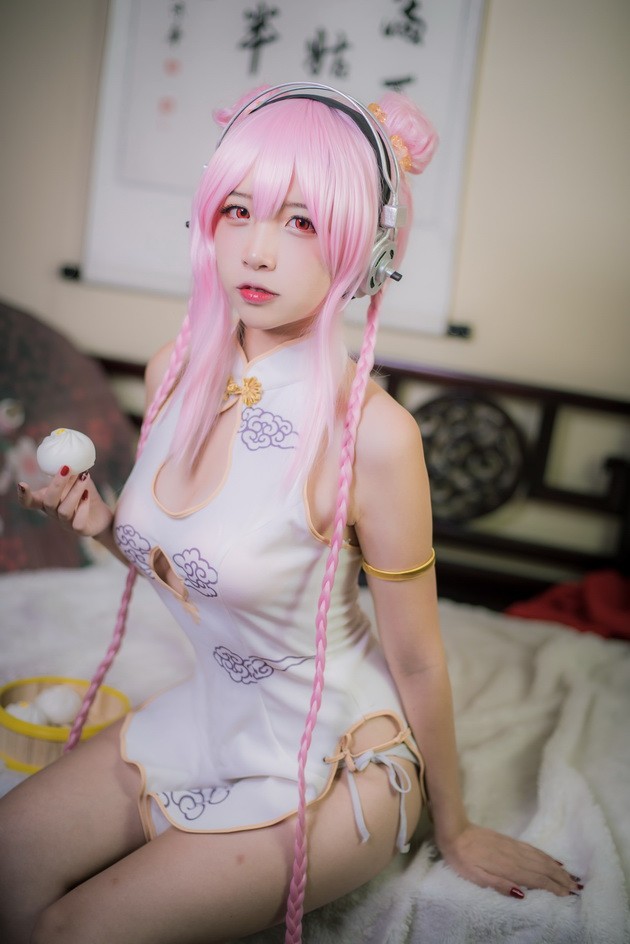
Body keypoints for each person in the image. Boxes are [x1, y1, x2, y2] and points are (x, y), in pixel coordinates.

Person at [0, 83, 580, 944]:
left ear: (366, 251)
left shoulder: (376, 436)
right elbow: (194, 570)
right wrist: (102, 526)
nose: (258, 251)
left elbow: (418, 657)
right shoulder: (173, 370)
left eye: (302, 222)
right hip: (212, 713)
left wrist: (456, 827)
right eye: (239, 211)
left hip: (341, 755)